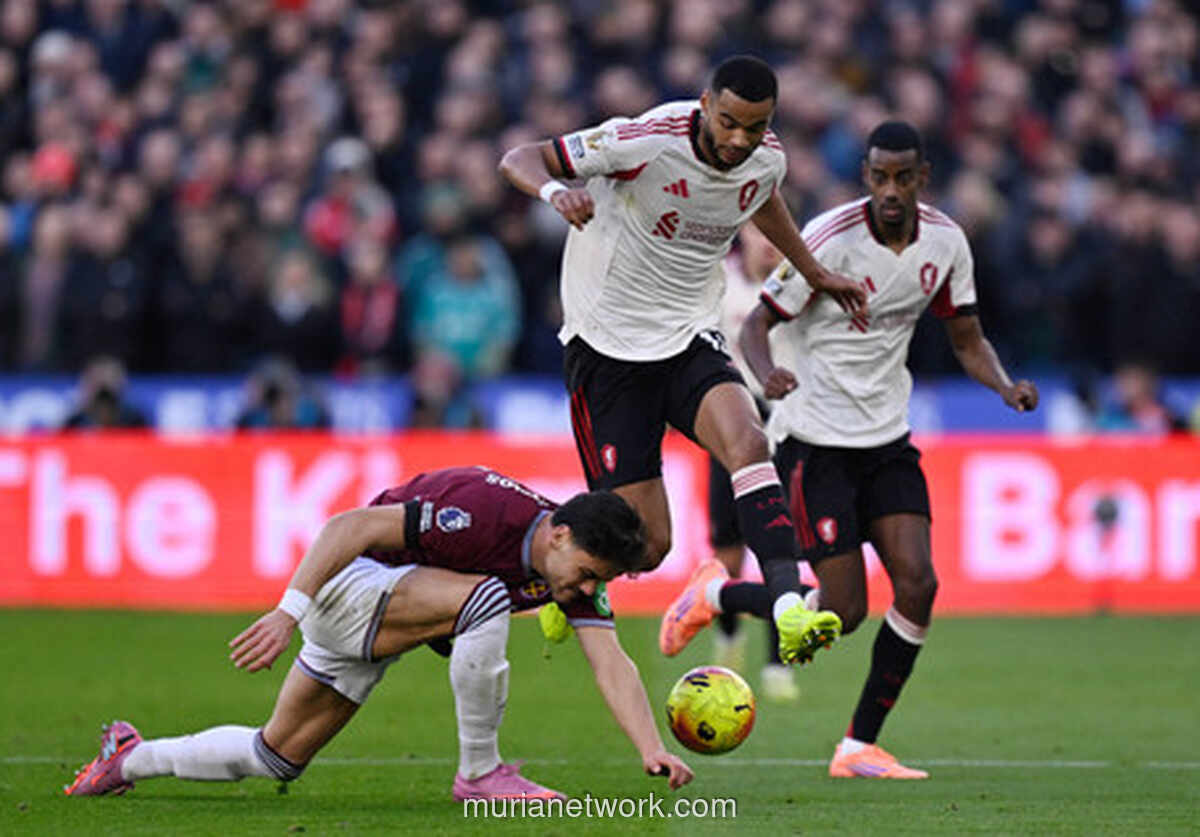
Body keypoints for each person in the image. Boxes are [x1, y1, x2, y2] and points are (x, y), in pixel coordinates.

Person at [661, 121, 1039, 779]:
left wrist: (1004, 386)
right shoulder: (830, 239)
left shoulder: (947, 243)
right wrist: (765, 373)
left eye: (903, 177)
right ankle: (716, 597)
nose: (890, 190)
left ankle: (857, 744)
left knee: (919, 582)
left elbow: (967, 337)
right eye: (878, 177)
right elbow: (758, 322)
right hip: (814, 443)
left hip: (888, 439)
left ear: (922, 177)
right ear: (866, 176)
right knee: (843, 611)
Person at [499, 54, 866, 665]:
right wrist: (556, 190)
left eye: (755, 127)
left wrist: (814, 271)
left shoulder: (765, 157)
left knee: (749, 442)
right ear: (704, 105)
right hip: (607, 349)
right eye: (728, 123)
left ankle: (785, 607)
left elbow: (762, 197)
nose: (739, 140)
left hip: (688, 335)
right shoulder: (643, 140)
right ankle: (551, 575)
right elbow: (519, 157)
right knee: (645, 548)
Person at [64, 466, 693, 799]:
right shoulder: (483, 509)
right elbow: (348, 526)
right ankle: (480, 774)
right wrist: (288, 610)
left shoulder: (565, 568)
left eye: (596, 583)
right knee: (486, 599)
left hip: (386, 613)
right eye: (585, 575)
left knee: (275, 755)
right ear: (558, 533)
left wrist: (650, 748)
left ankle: (130, 758)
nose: (585, 591)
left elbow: (610, 660)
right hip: (349, 588)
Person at [703, 224, 799, 702]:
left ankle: (778, 664)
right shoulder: (718, 282)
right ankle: (728, 634)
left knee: (778, 547)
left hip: (783, 425)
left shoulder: (796, 288)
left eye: (775, 233)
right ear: (742, 235)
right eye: (759, 233)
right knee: (728, 548)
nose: (768, 242)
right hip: (729, 422)